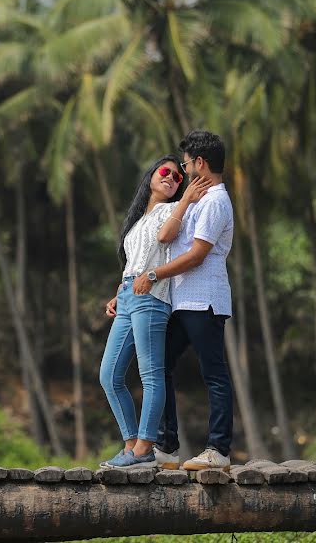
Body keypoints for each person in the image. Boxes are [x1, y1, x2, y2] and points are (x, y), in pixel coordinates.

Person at [131, 130, 235, 472]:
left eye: (187, 163)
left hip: (203, 301)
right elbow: (166, 236)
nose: (184, 169)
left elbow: (197, 256)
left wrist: (156, 274)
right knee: (159, 364)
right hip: (183, 301)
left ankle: (218, 449)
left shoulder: (216, 201)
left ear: (200, 163)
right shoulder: (196, 200)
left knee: (214, 373)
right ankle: (167, 445)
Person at [99, 155, 211, 470]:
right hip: (129, 294)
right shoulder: (137, 219)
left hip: (153, 295)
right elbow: (134, 261)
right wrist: (118, 293)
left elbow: (165, 239)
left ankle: (145, 447)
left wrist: (186, 198)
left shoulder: (171, 211)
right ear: (151, 175)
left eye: (178, 177)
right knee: (109, 375)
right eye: (166, 171)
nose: (172, 178)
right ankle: (131, 444)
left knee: (150, 375)